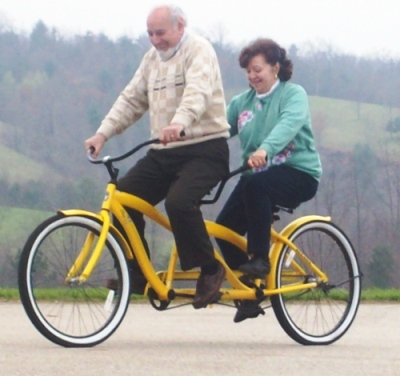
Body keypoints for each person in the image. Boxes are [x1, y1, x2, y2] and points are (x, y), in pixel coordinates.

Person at [84, 4, 230, 309]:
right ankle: (136, 272)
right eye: (150, 33)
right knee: (122, 198)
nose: (155, 39)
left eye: (160, 32)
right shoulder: (151, 60)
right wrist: (102, 133)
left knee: (178, 202)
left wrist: (180, 122)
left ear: (180, 26)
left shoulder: (199, 50)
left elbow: (198, 92)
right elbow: (131, 99)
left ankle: (211, 268)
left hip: (205, 149)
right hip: (164, 152)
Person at [215, 38, 322, 322]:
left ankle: (260, 260)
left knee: (256, 184)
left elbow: (288, 124)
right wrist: (184, 138)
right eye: (248, 71)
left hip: (298, 173)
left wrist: (265, 149)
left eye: (258, 69)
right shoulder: (242, 103)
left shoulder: (292, 94)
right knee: (222, 230)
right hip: (256, 178)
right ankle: (250, 293)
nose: (252, 76)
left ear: (276, 67)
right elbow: (217, 130)